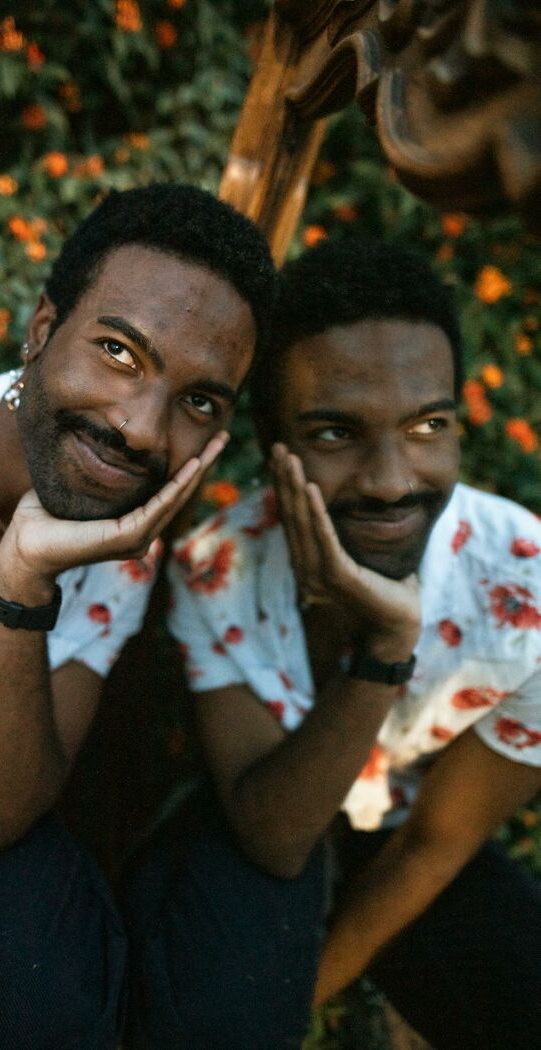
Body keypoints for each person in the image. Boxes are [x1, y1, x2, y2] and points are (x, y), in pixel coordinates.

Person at [0, 183, 276, 1049]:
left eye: (199, 402)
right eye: (120, 352)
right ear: (42, 330)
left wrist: (25, 584)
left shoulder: (124, 530)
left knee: (43, 1010)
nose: (144, 431)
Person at [168, 239, 541, 1050]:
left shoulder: (530, 595)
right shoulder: (216, 571)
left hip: (409, 834)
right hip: (268, 812)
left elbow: (435, 848)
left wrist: (291, 1004)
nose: (390, 479)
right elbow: (270, 835)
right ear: (274, 447)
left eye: (426, 426)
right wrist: (383, 649)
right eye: (335, 433)